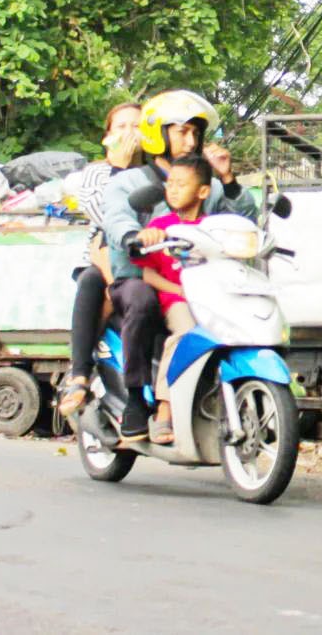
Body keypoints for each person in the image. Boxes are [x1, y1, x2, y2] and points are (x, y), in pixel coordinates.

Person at [101, 90, 256, 441]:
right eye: (181, 131)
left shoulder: (209, 187)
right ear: (158, 134)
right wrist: (133, 236)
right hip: (142, 277)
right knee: (140, 299)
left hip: (200, 284)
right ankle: (139, 402)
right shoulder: (129, 181)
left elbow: (244, 221)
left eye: (195, 133)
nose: (191, 140)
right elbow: (115, 216)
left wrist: (228, 180)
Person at [57, 101, 142, 419]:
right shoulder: (96, 172)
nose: (129, 134)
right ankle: (79, 374)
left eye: (136, 126)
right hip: (103, 256)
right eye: (121, 127)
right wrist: (119, 168)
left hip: (146, 262)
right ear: (107, 136)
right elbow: (104, 213)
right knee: (93, 280)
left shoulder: (155, 171)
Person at [130, 154, 212, 444]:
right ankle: (164, 409)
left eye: (182, 184)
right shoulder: (161, 226)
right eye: (171, 184)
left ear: (203, 192)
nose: (173, 189)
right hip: (175, 301)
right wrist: (178, 291)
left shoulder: (212, 228)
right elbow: (148, 276)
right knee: (186, 333)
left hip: (212, 301)